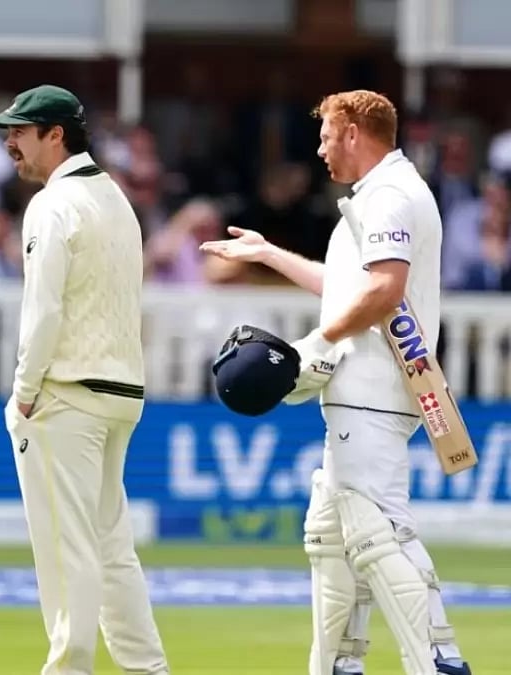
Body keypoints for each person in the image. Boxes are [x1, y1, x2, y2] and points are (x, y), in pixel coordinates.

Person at [200, 89, 471, 675]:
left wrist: (319, 343)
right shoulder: (374, 196)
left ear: (352, 132)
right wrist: (267, 253)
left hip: (374, 389)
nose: (320, 147)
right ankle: (338, 663)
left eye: (325, 134)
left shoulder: (393, 195)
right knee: (330, 532)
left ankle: (438, 659)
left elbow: (383, 291)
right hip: (360, 390)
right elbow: (350, 286)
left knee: (379, 532)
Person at [0, 85, 170, 675]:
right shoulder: (115, 196)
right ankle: (148, 668)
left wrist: (24, 390)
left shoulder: (52, 203)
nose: (9, 142)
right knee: (111, 549)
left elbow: (44, 311)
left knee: (67, 551)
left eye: (19, 131)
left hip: (68, 394)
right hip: (120, 393)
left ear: (55, 134)